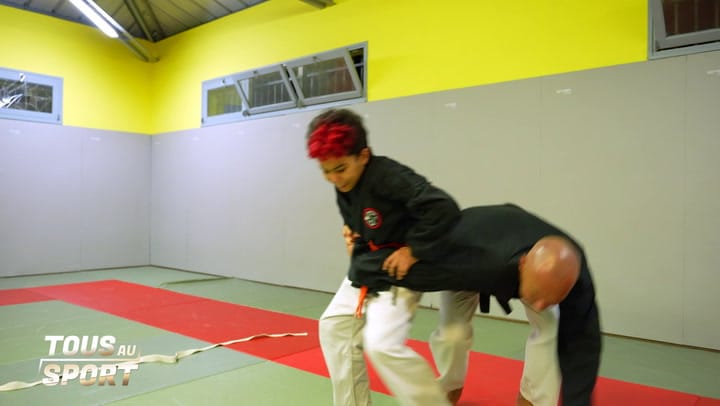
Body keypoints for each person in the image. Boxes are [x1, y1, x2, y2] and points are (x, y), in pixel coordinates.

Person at [306, 108, 478, 405]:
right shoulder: (345, 182)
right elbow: (364, 220)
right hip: (368, 267)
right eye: (326, 171)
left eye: (340, 168)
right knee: (334, 326)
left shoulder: (390, 177)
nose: (334, 178)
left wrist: (413, 250)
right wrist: (353, 234)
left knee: (382, 345)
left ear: (363, 156)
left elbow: (443, 207)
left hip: (399, 271)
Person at [350, 204, 602, 406]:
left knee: (551, 325)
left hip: (514, 258)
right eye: (536, 295)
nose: (540, 303)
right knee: (453, 335)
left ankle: (533, 400)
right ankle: (449, 387)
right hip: (466, 260)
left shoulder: (574, 279)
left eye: (551, 297)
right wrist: (365, 260)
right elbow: (407, 265)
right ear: (523, 263)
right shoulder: (470, 260)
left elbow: (583, 349)